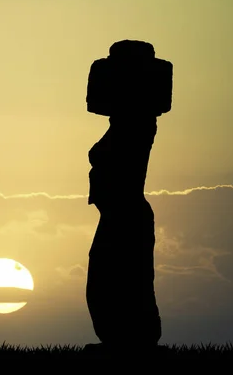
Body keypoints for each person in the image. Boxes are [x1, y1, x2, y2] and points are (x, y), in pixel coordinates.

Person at [85, 115, 162, 354]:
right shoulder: (121, 127)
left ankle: (133, 341)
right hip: (115, 216)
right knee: (103, 283)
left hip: (125, 217)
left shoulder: (136, 126)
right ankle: (121, 339)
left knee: (123, 282)